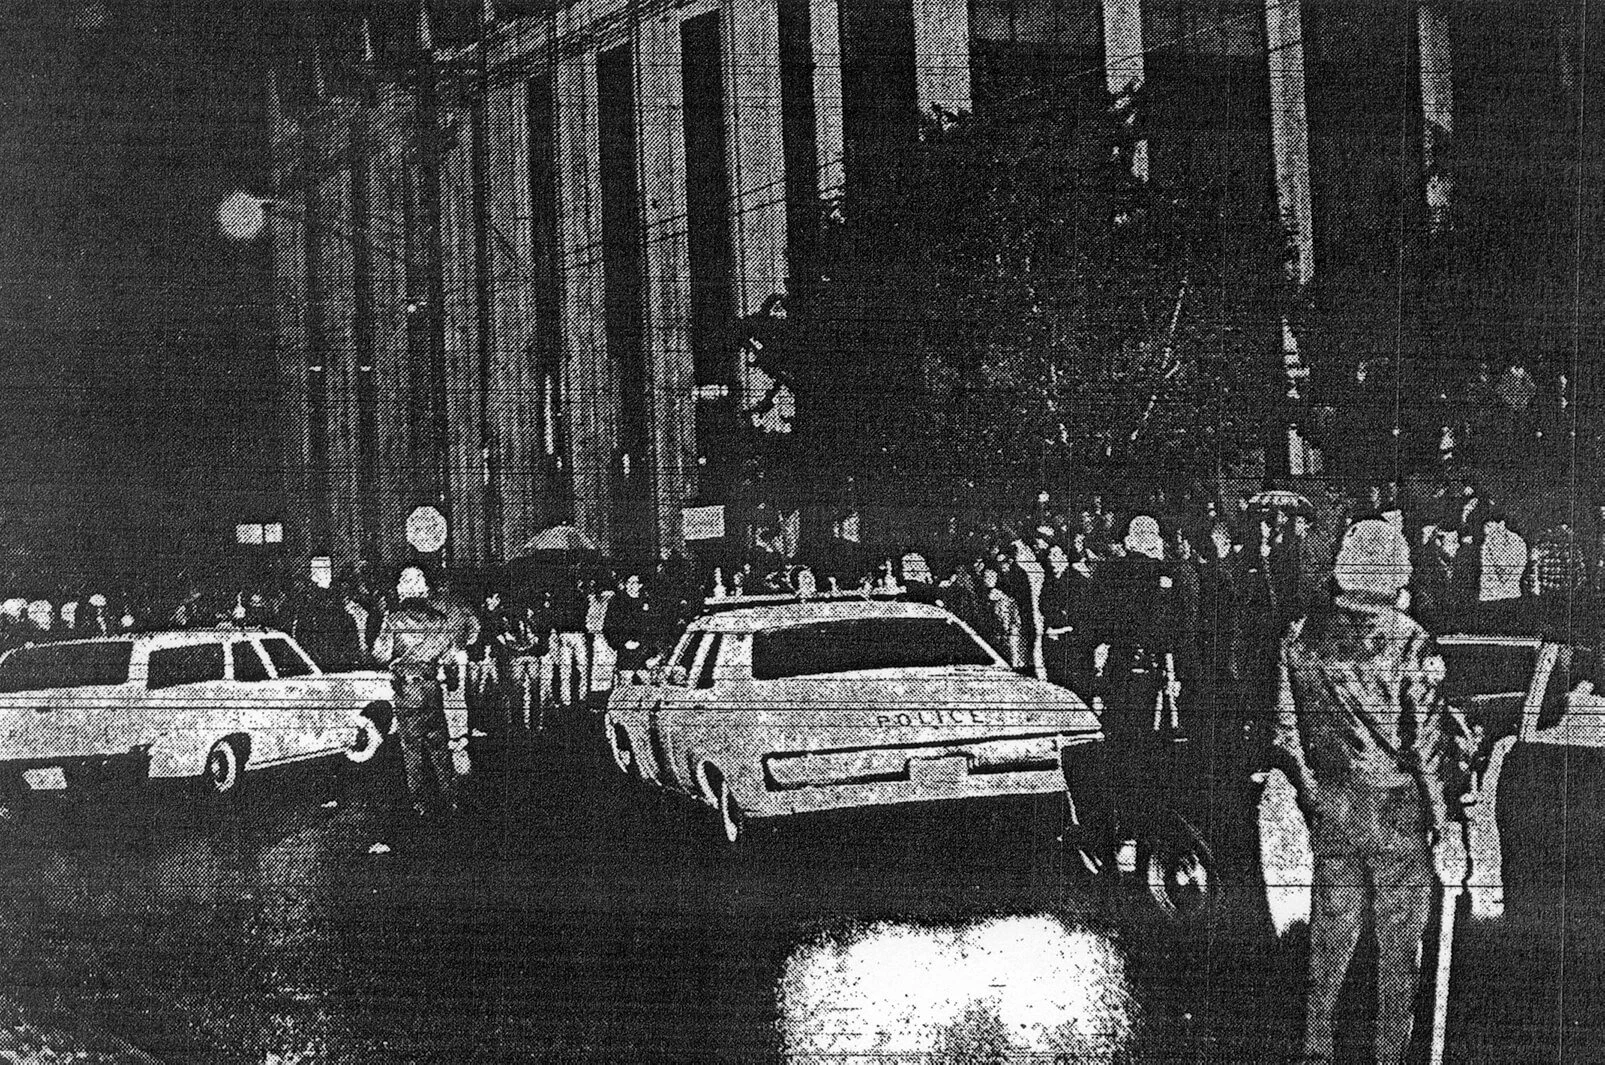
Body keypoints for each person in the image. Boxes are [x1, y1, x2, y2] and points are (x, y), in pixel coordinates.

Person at [1273, 520, 1469, 1065]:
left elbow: (1285, 735)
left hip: (1334, 810)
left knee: (1328, 957)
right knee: (1398, 964)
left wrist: (1315, 797)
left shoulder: (1300, 637)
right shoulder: (1410, 641)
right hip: (1398, 817)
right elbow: (1425, 743)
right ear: (1397, 572)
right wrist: (1446, 826)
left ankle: (1316, 1055)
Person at [369, 566, 463, 852]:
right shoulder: (440, 620)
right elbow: (450, 658)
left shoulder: (394, 619)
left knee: (412, 751)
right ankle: (452, 801)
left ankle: (420, 805)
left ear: (402, 589)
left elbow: (380, 654)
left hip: (407, 691)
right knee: (439, 747)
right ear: (424, 590)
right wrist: (451, 678)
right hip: (432, 689)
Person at [603, 573, 659, 684]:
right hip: (626, 653)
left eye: (635, 583)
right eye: (629, 583)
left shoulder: (648, 602)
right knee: (626, 682)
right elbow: (608, 627)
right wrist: (622, 643)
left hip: (644, 652)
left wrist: (654, 652)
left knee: (646, 683)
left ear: (640, 585)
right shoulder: (617, 602)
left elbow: (654, 627)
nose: (632, 585)